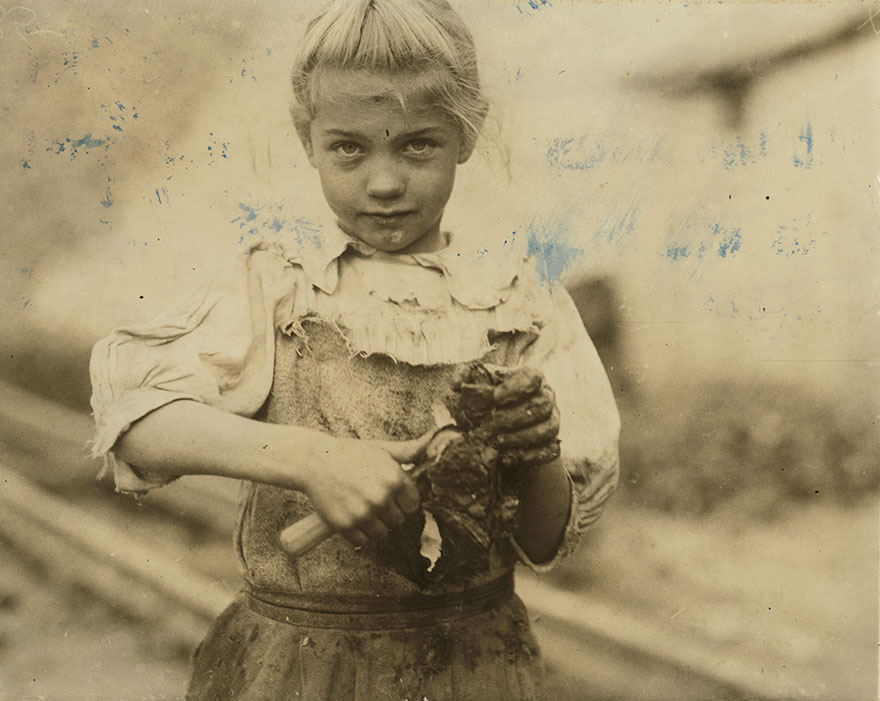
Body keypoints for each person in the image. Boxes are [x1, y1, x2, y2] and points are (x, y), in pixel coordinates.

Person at [89, 1, 620, 698]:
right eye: (349, 147)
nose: (384, 181)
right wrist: (313, 457)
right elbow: (137, 422)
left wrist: (537, 451)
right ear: (307, 138)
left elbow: (549, 539)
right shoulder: (279, 282)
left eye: (417, 144)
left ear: (468, 132)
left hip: (472, 666)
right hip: (300, 666)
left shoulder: (519, 302)